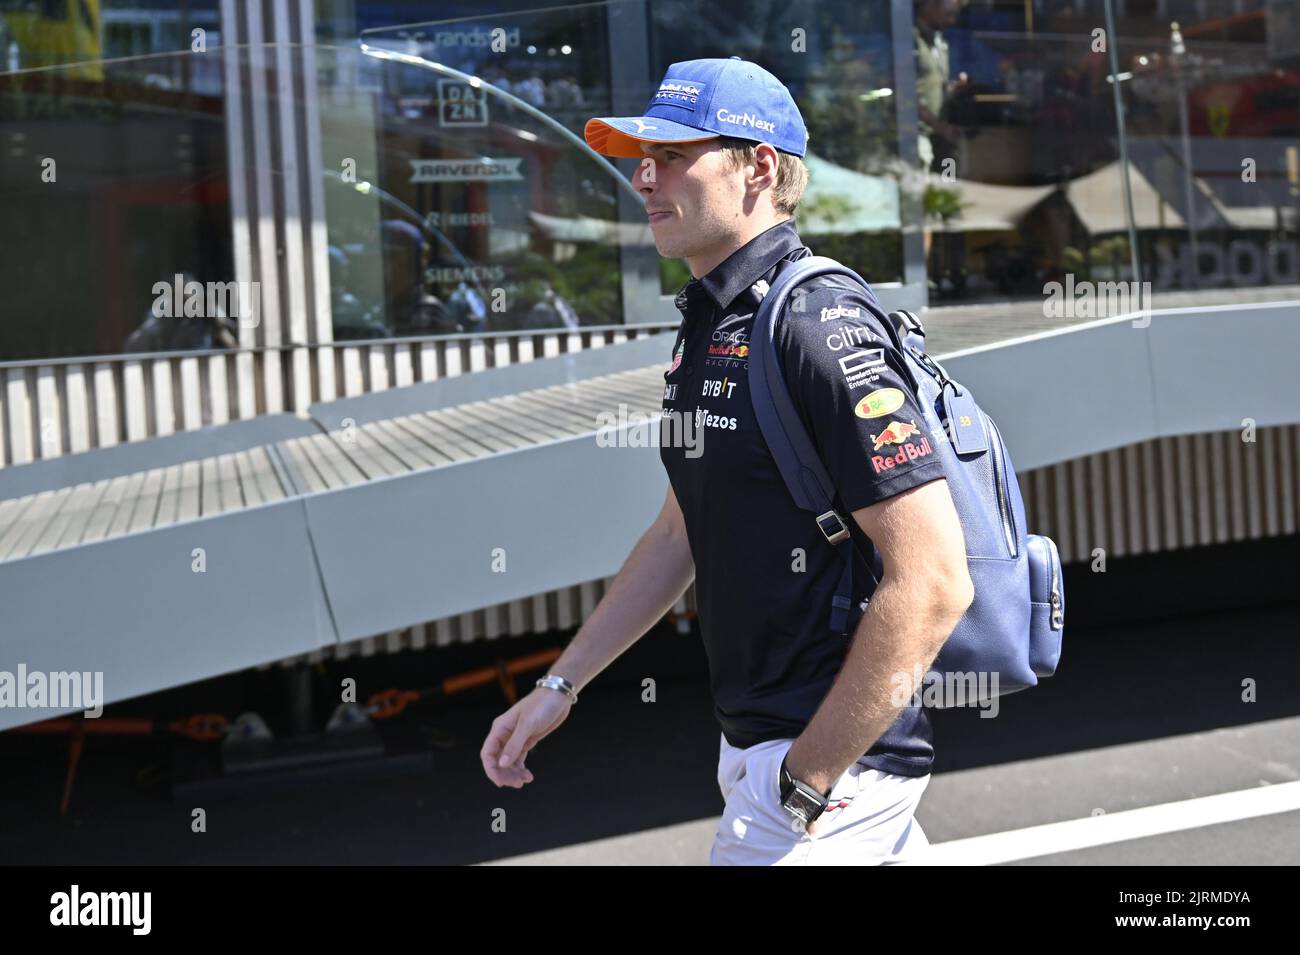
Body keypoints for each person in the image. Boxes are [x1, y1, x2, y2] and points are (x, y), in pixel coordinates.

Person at [480, 57, 973, 865]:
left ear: (760, 169)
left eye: (673, 155)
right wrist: (557, 686)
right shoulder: (708, 320)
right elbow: (681, 531)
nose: (644, 177)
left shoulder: (819, 323)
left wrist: (809, 776)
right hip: (762, 749)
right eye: (642, 157)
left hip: (828, 771)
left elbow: (935, 578)